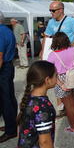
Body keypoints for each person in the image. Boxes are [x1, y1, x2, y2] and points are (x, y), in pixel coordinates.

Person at [41, 1, 74, 116]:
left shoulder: (71, 21)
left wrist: (68, 50)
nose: (51, 13)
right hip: (57, 54)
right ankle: (63, 107)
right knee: (58, 81)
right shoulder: (51, 22)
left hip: (68, 54)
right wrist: (43, 51)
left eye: (53, 10)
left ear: (61, 10)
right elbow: (46, 37)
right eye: (50, 10)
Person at [47, 32, 74, 134]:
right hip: (73, 76)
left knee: (68, 105)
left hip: (61, 79)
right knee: (73, 101)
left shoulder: (52, 55)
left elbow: (51, 73)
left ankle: (73, 127)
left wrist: (60, 84)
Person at [17, 61, 57, 147]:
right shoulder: (43, 108)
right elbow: (45, 142)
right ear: (47, 80)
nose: (57, 78)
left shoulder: (30, 96)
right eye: (55, 76)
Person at [0, 11, 18, 143]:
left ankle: (11, 130)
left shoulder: (1, 31)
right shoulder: (7, 29)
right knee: (10, 97)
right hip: (8, 66)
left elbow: (0, 56)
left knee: (5, 99)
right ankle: (12, 124)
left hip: (4, 67)